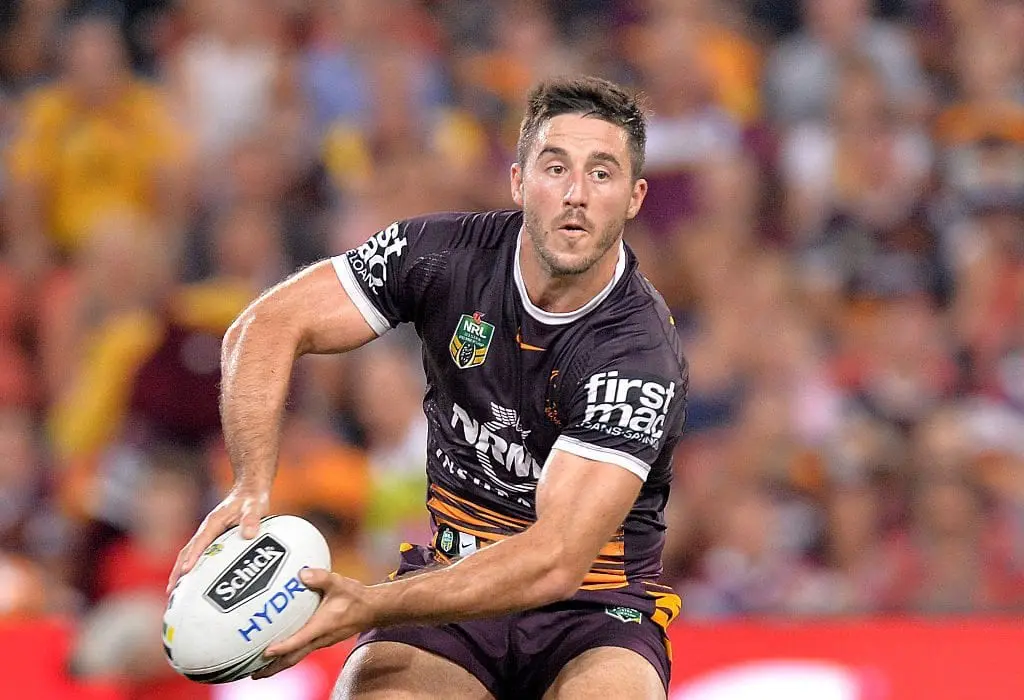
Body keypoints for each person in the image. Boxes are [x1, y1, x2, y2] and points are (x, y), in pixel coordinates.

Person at [168, 75, 689, 700]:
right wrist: (249, 487)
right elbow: (266, 325)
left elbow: (555, 559)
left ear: (634, 198)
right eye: (556, 167)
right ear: (520, 182)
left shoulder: (636, 351)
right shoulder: (441, 254)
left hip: (595, 611)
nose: (575, 194)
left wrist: (372, 605)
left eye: (601, 174)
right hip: (450, 583)